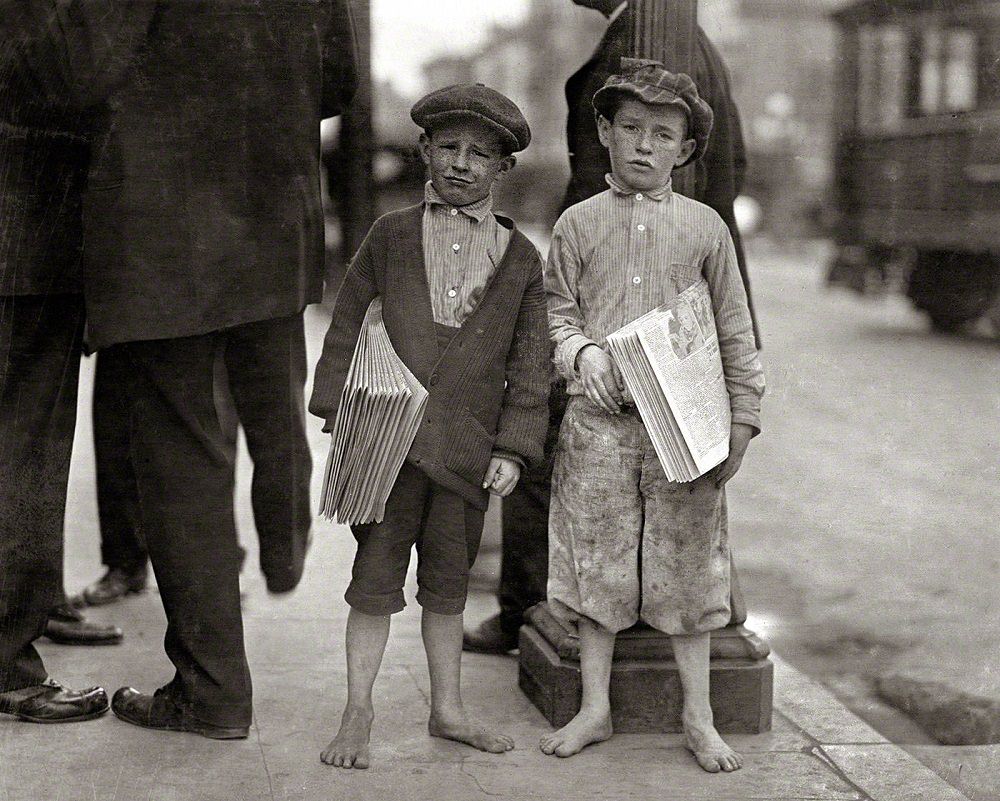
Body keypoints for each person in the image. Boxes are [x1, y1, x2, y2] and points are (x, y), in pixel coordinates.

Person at [34, 1, 358, 739]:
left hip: (163, 224)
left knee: (182, 457)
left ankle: (211, 693)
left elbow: (81, 69)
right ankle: (284, 520)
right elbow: (337, 82)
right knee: (272, 390)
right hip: (276, 216)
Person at [464, 0, 758, 655]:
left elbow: (671, 173)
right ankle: (548, 606)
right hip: (629, 298)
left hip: (638, 307)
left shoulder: (648, 33)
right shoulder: (681, 37)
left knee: (542, 432)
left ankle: (532, 609)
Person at [309, 84, 549, 770]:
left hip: (468, 449)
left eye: (481, 153)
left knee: (448, 583)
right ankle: (359, 707)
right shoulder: (389, 236)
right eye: (449, 146)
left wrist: (514, 445)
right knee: (374, 578)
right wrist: (337, 407)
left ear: (504, 167)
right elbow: (350, 316)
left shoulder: (522, 260)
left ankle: (448, 707)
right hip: (389, 441)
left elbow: (532, 363)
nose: (462, 164)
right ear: (424, 150)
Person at [540, 61, 764, 771]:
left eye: (662, 134)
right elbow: (555, 312)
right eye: (630, 128)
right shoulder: (576, 224)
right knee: (598, 565)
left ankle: (698, 716)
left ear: (685, 149)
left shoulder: (706, 229)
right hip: (598, 427)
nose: (643, 146)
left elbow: (735, 329)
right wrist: (581, 354)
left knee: (688, 569)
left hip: (686, 431)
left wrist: (741, 420)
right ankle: (596, 707)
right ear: (604, 131)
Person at [0, 5, 116, 723]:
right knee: (24, 453)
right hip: (28, 245)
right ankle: (10, 659)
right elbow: (84, 78)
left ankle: (31, 608)